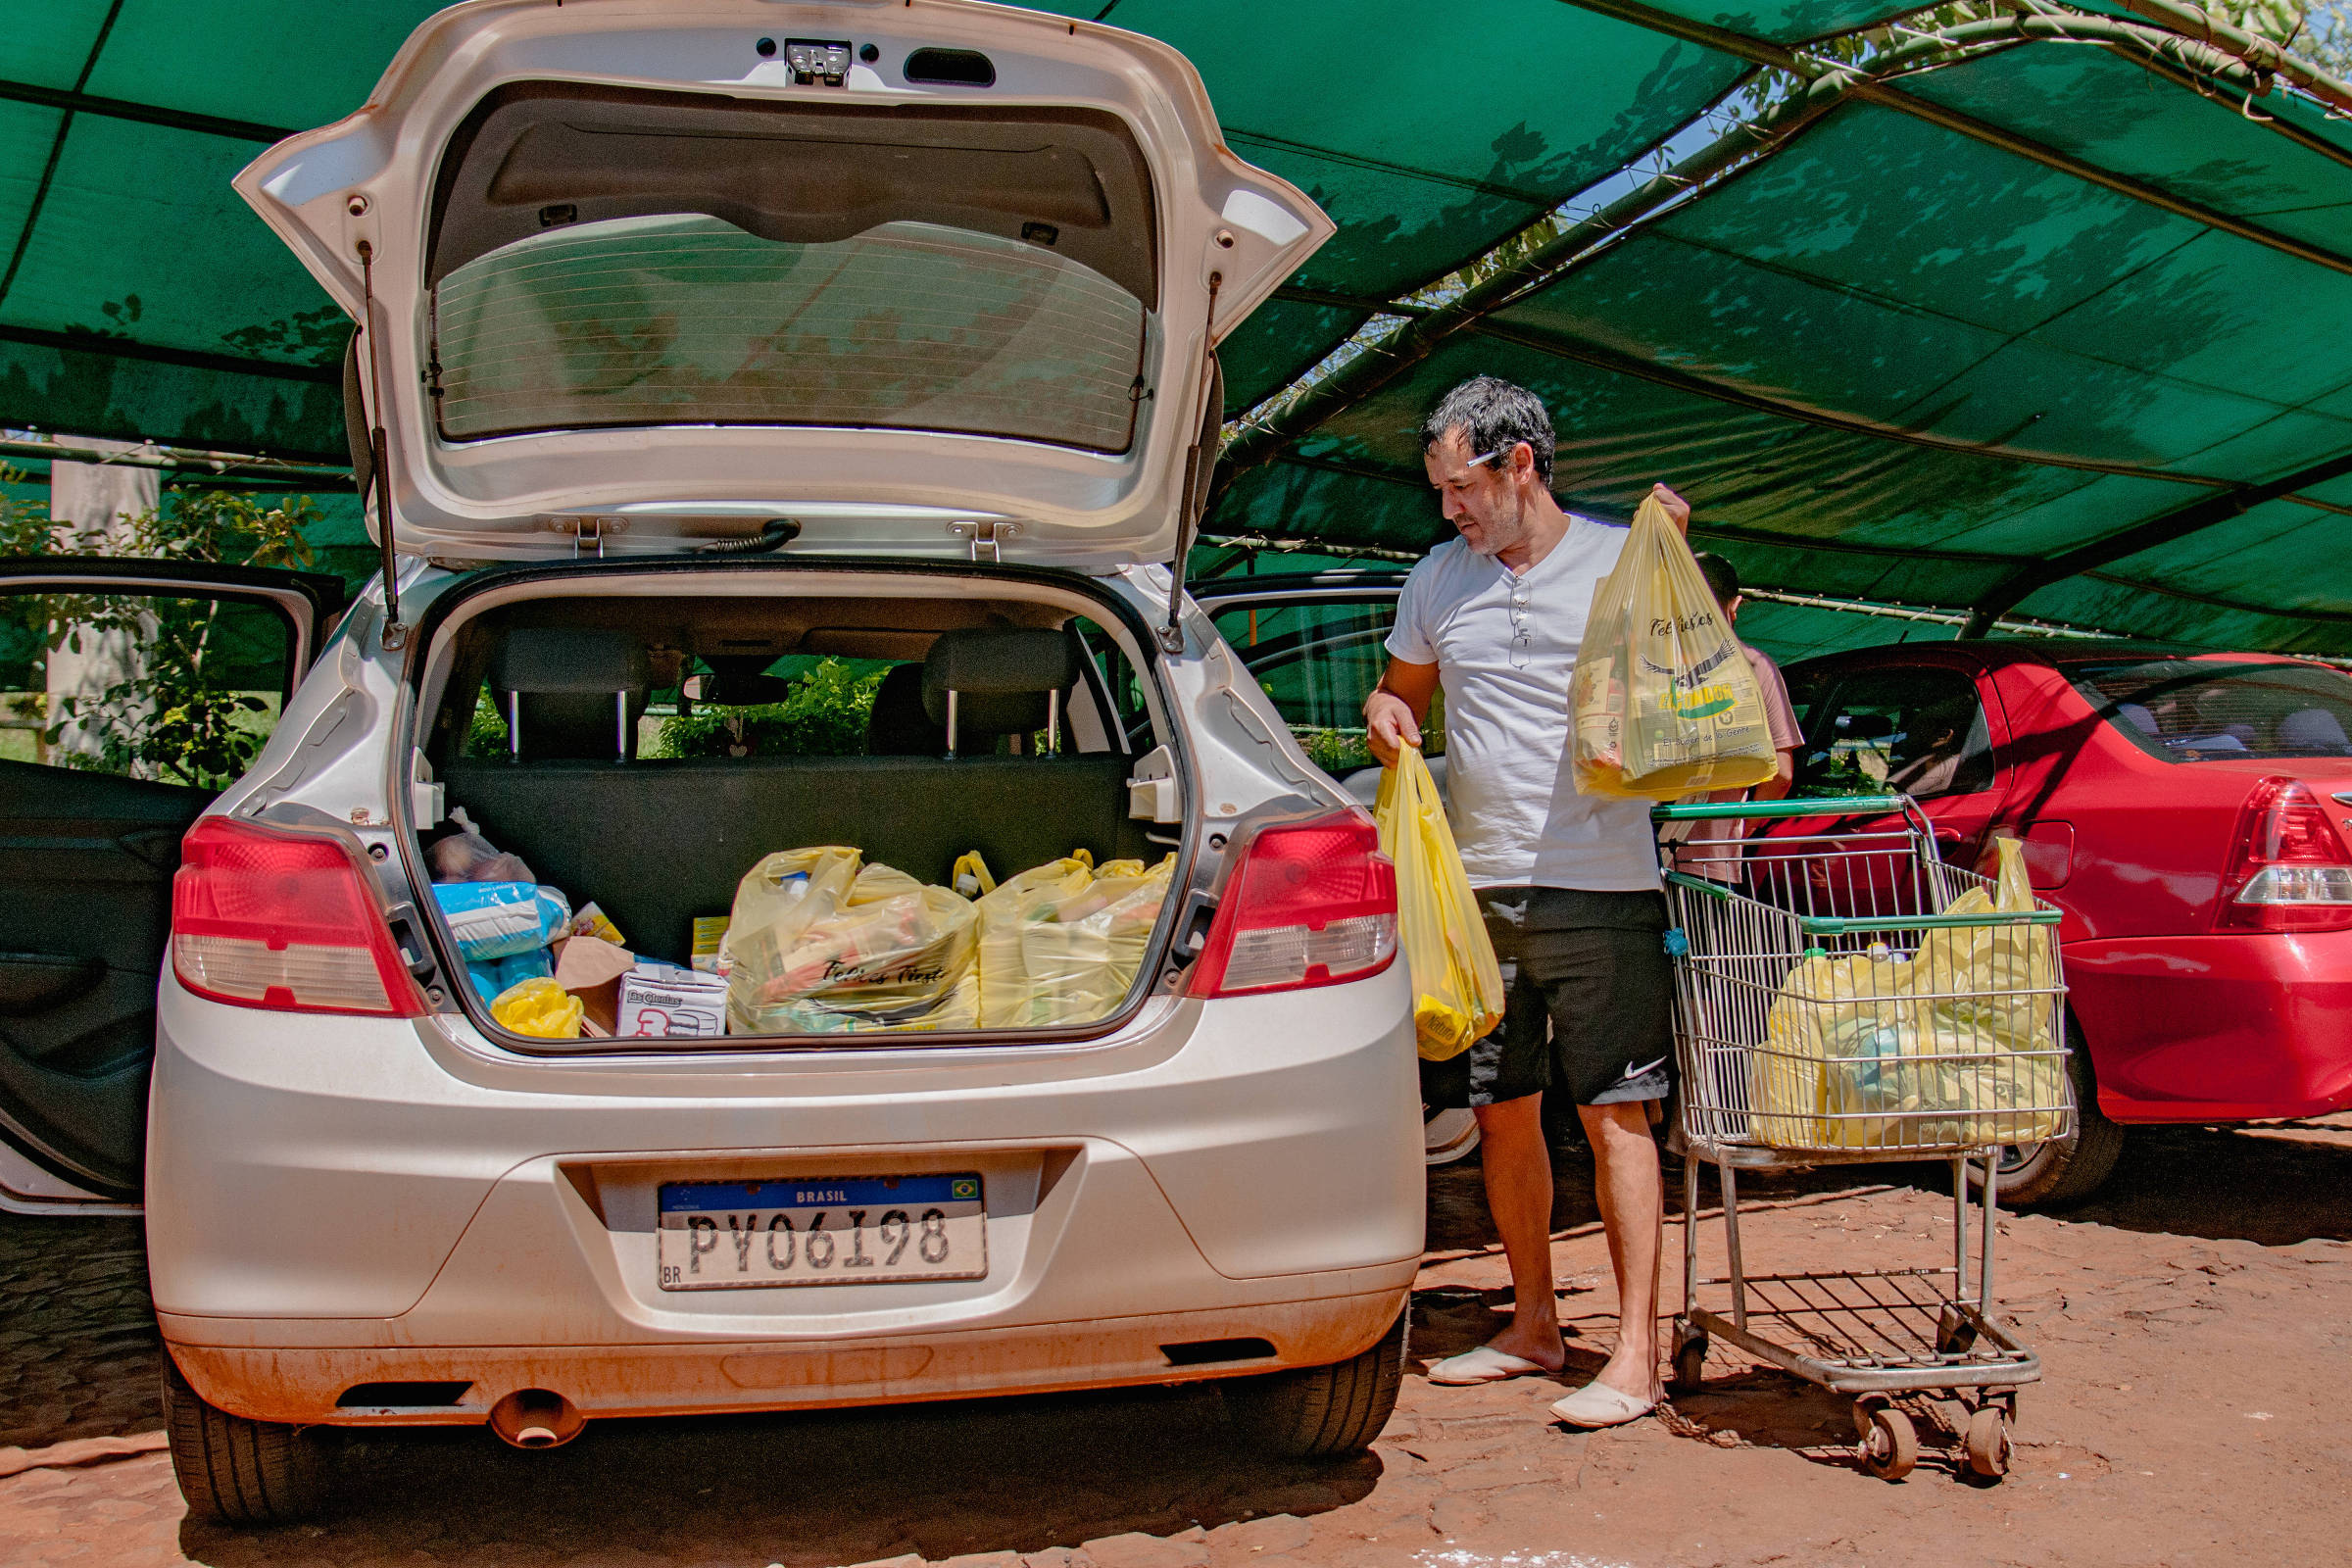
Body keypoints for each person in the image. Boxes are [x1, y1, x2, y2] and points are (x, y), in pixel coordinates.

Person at [1364, 374, 1684, 1430]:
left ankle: (1637, 1354)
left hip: (1602, 883)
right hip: (1478, 888)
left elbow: (1688, 668)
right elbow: (1398, 695)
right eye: (1439, 492)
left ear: (1521, 466)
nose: (1449, 509)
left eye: (1462, 488)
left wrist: (1667, 550)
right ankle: (1536, 1324)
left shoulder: (1614, 560)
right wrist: (1383, 715)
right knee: (1501, 1109)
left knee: (1614, 1112)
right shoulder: (1435, 581)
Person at [1657, 553, 1803, 884]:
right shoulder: (1753, 668)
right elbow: (1781, 774)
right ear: (1735, 604)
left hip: (1633, 857)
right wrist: (1738, 824)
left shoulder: (1646, 666)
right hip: (1711, 861)